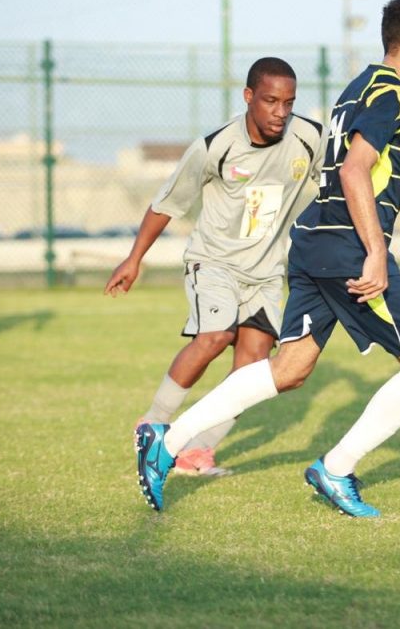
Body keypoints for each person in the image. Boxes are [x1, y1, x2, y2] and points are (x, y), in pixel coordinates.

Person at [133, 0, 400, 517]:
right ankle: (336, 469)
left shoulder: (357, 89)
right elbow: (355, 172)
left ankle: (167, 441)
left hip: (313, 244)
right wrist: (375, 253)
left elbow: (364, 178)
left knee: (289, 367)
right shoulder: (395, 98)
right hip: (348, 251)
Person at [105, 57, 324, 476]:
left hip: (266, 272)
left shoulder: (310, 138)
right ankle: (152, 424)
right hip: (214, 263)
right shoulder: (216, 146)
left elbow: (348, 176)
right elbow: (166, 204)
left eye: (289, 102)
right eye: (271, 101)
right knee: (216, 335)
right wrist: (134, 259)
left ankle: (198, 451)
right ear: (248, 96)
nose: (281, 112)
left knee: (252, 368)